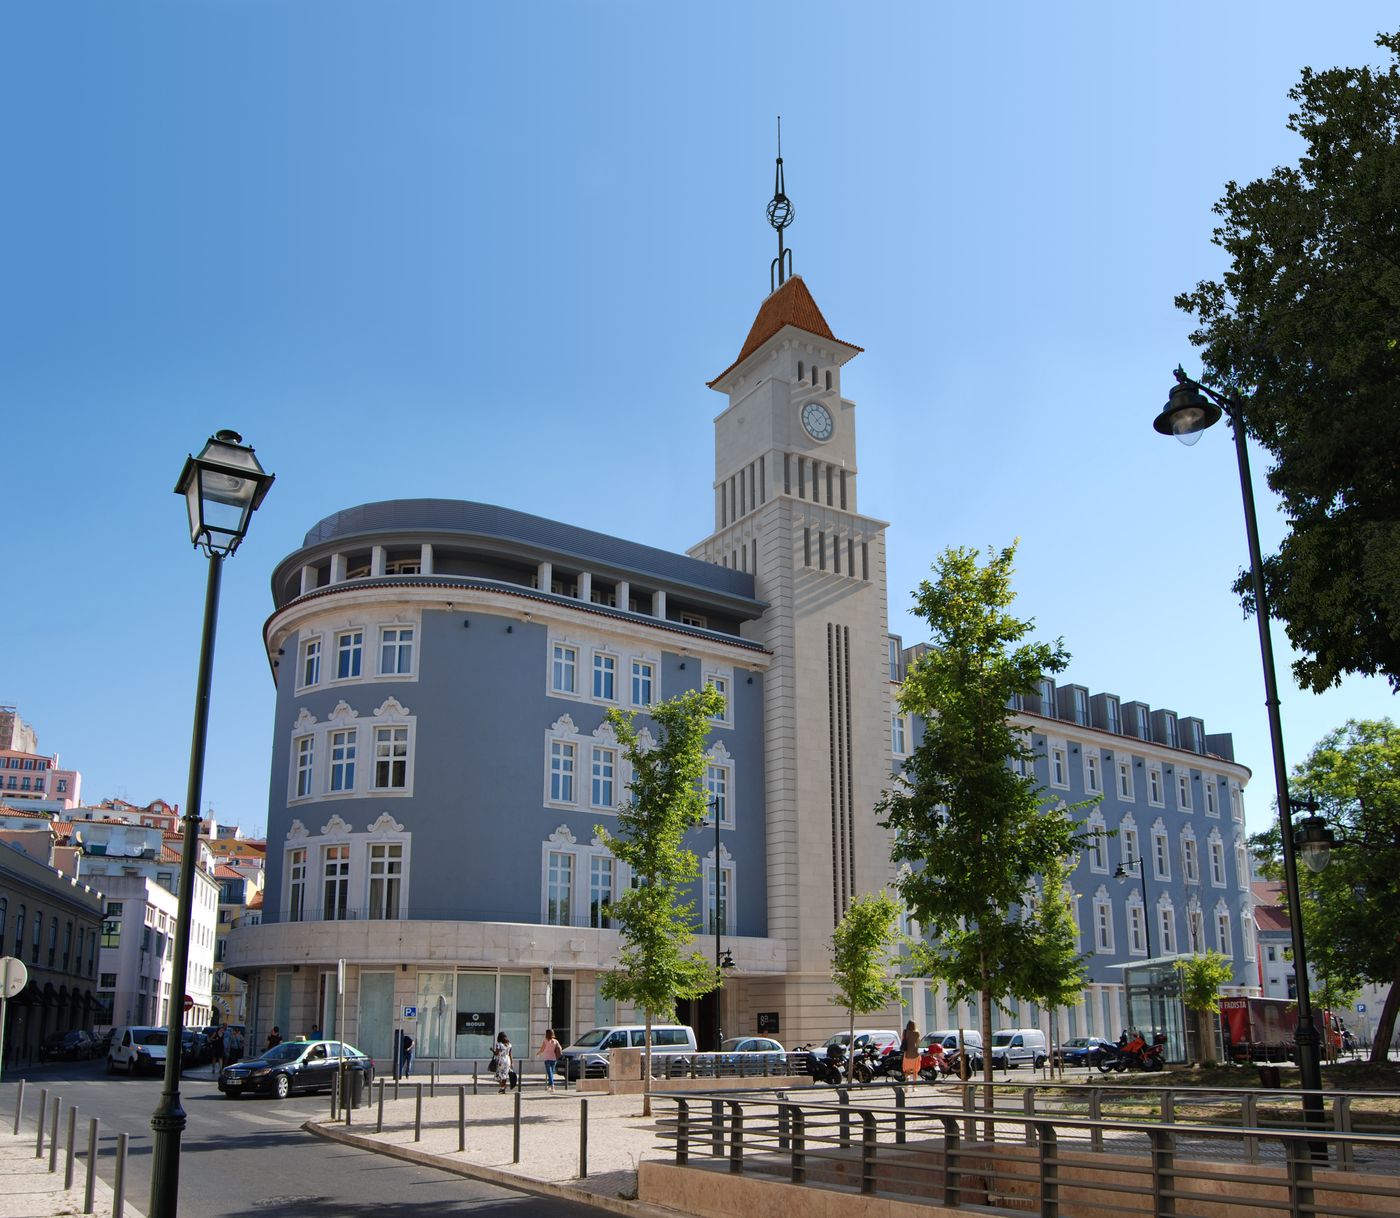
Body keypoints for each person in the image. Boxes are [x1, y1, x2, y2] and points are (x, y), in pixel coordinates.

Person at [538, 1027, 563, 1093]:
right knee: (551, 1073)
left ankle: (552, 1086)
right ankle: (549, 1086)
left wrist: (538, 1053)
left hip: (547, 1059)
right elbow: (560, 1048)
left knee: (549, 1073)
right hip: (554, 1059)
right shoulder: (556, 1041)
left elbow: (542, 1049)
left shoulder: (545, 1041)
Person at [901, 1020, 921, 1084]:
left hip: (907, 1054)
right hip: (915, 1054)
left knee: (907, 1071)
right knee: (915, 1071)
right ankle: (914, 1087)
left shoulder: (905, 1032)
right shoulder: (917, 1033)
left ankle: (907, 1082)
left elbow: (902, 1041)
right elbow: (918, 1043)